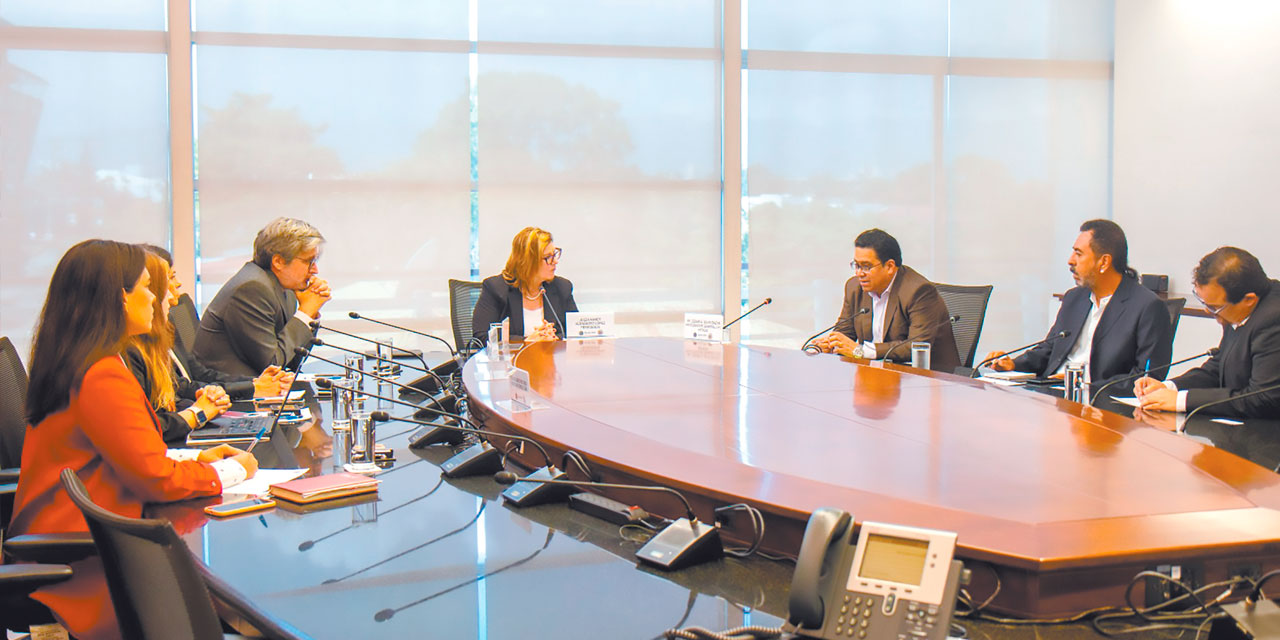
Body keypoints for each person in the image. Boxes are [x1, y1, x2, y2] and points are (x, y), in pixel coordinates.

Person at [9, 239, 257, 640]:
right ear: (118, 298)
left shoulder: (81, 361)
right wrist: (230, 470)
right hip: (89, 559)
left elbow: (125, 457)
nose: (157, 298)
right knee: (238, 597)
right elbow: (153, 479)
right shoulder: (102, 374)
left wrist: (194, 461)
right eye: (145, 286)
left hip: (79, 539)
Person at [125, 249, 293, 445]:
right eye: (168, 280)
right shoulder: (128, 351)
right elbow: (143, 428)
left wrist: (211, 398)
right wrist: (197, 412)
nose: (175, 291)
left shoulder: (164, 331)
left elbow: (185, 383)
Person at [983, 219, 1173, 391]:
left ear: (1104, 262)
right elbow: (1049, 350)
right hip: (1052, 396)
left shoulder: (1146, 306)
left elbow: (1147, 377)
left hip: (1099, 406)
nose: (1070, 261)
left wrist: (1082, 386)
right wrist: (1014, 365)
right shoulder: (1074, 298)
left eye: (1079, 254)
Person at [1134, 247, 1280, 418]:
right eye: (1202, 301)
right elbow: (1219, 367)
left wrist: (1181, 401)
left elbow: (1262, 398)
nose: (1207, 311)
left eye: (1214, 307)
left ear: (1249, 300)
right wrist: (1168, 387)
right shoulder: (1238, 309)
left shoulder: (1272, 320)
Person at [193, 217, 331, 376]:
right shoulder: (252, 289)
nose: (315, 270)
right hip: (229, 391)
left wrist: (310, 314)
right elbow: (272, 365)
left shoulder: (284, 288)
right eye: (309, 261)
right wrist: (306, 312)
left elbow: (292, 360)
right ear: (278, 261)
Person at [814, 229, 961, 372]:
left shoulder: (918, 292)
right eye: (856, 265)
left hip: (928, 380)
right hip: (877, 375)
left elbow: (916, 345)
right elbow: (845, 331)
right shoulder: (854, 287)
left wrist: (861, 351)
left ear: (890, 266)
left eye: (866, 266)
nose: (859, 273)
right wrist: (830, 343)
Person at [472, 226, 577, 345]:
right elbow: (481, 336)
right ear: (528, 261)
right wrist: (527, 341)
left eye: (555, 254)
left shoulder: (562, 287)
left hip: (551, 361)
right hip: (511, 361)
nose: (555, 261)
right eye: (548, 257)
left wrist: (553, 338)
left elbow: (577, 332)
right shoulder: (496, 289)